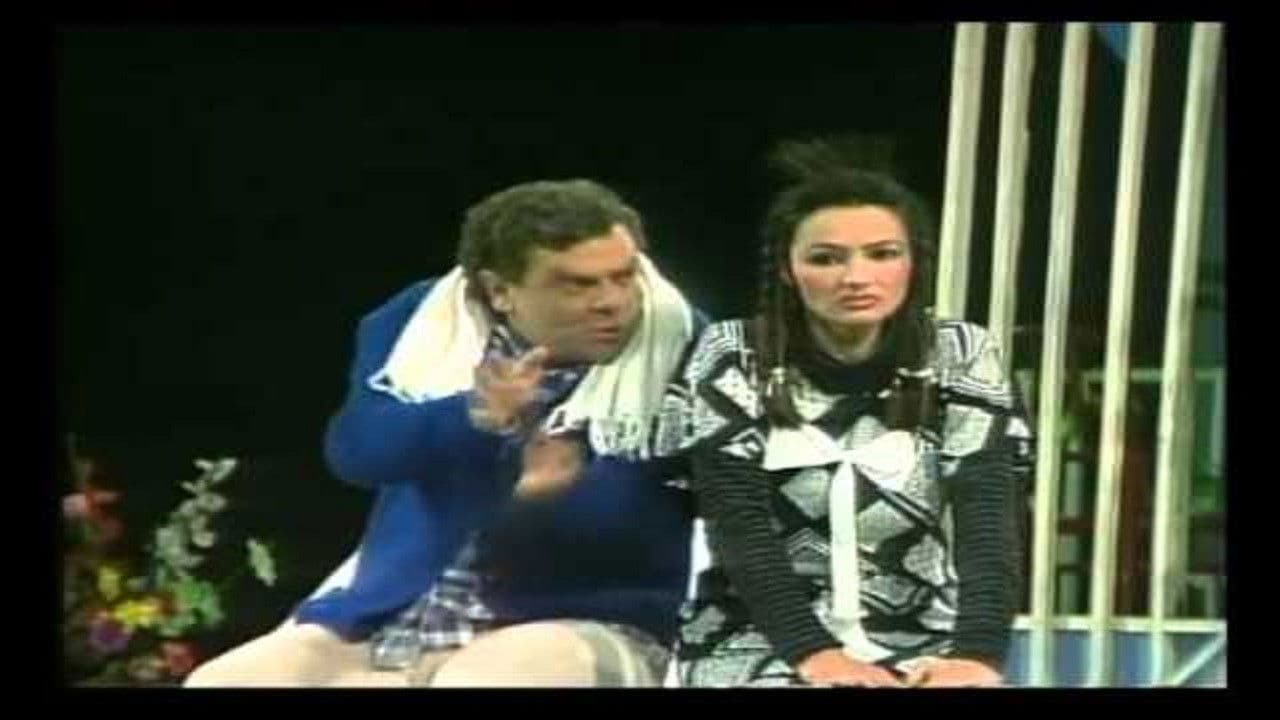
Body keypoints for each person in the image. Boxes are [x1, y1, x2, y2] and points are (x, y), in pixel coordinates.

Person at [186, 179, 701, 687]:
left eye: (623, 277)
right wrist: (472, 418)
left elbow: (713, 506)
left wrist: (540, 497)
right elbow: (357, 453)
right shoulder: (420, 325)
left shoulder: (687, 347)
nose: (612, 301)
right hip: (396, 612)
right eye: (577, 285)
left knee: (479, 680)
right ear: (500, 291)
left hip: (582, 619)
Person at [654, 140, 1034, 688]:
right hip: (756, 637)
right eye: (826, 259)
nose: (856, 277)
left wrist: (977, 656)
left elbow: (989, 516)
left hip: (923, 634)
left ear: (913, 262)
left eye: (883, 254)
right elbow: (736, 521)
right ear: (788, 269)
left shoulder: (961, 353)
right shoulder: (734, 353)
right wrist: (816, 655)